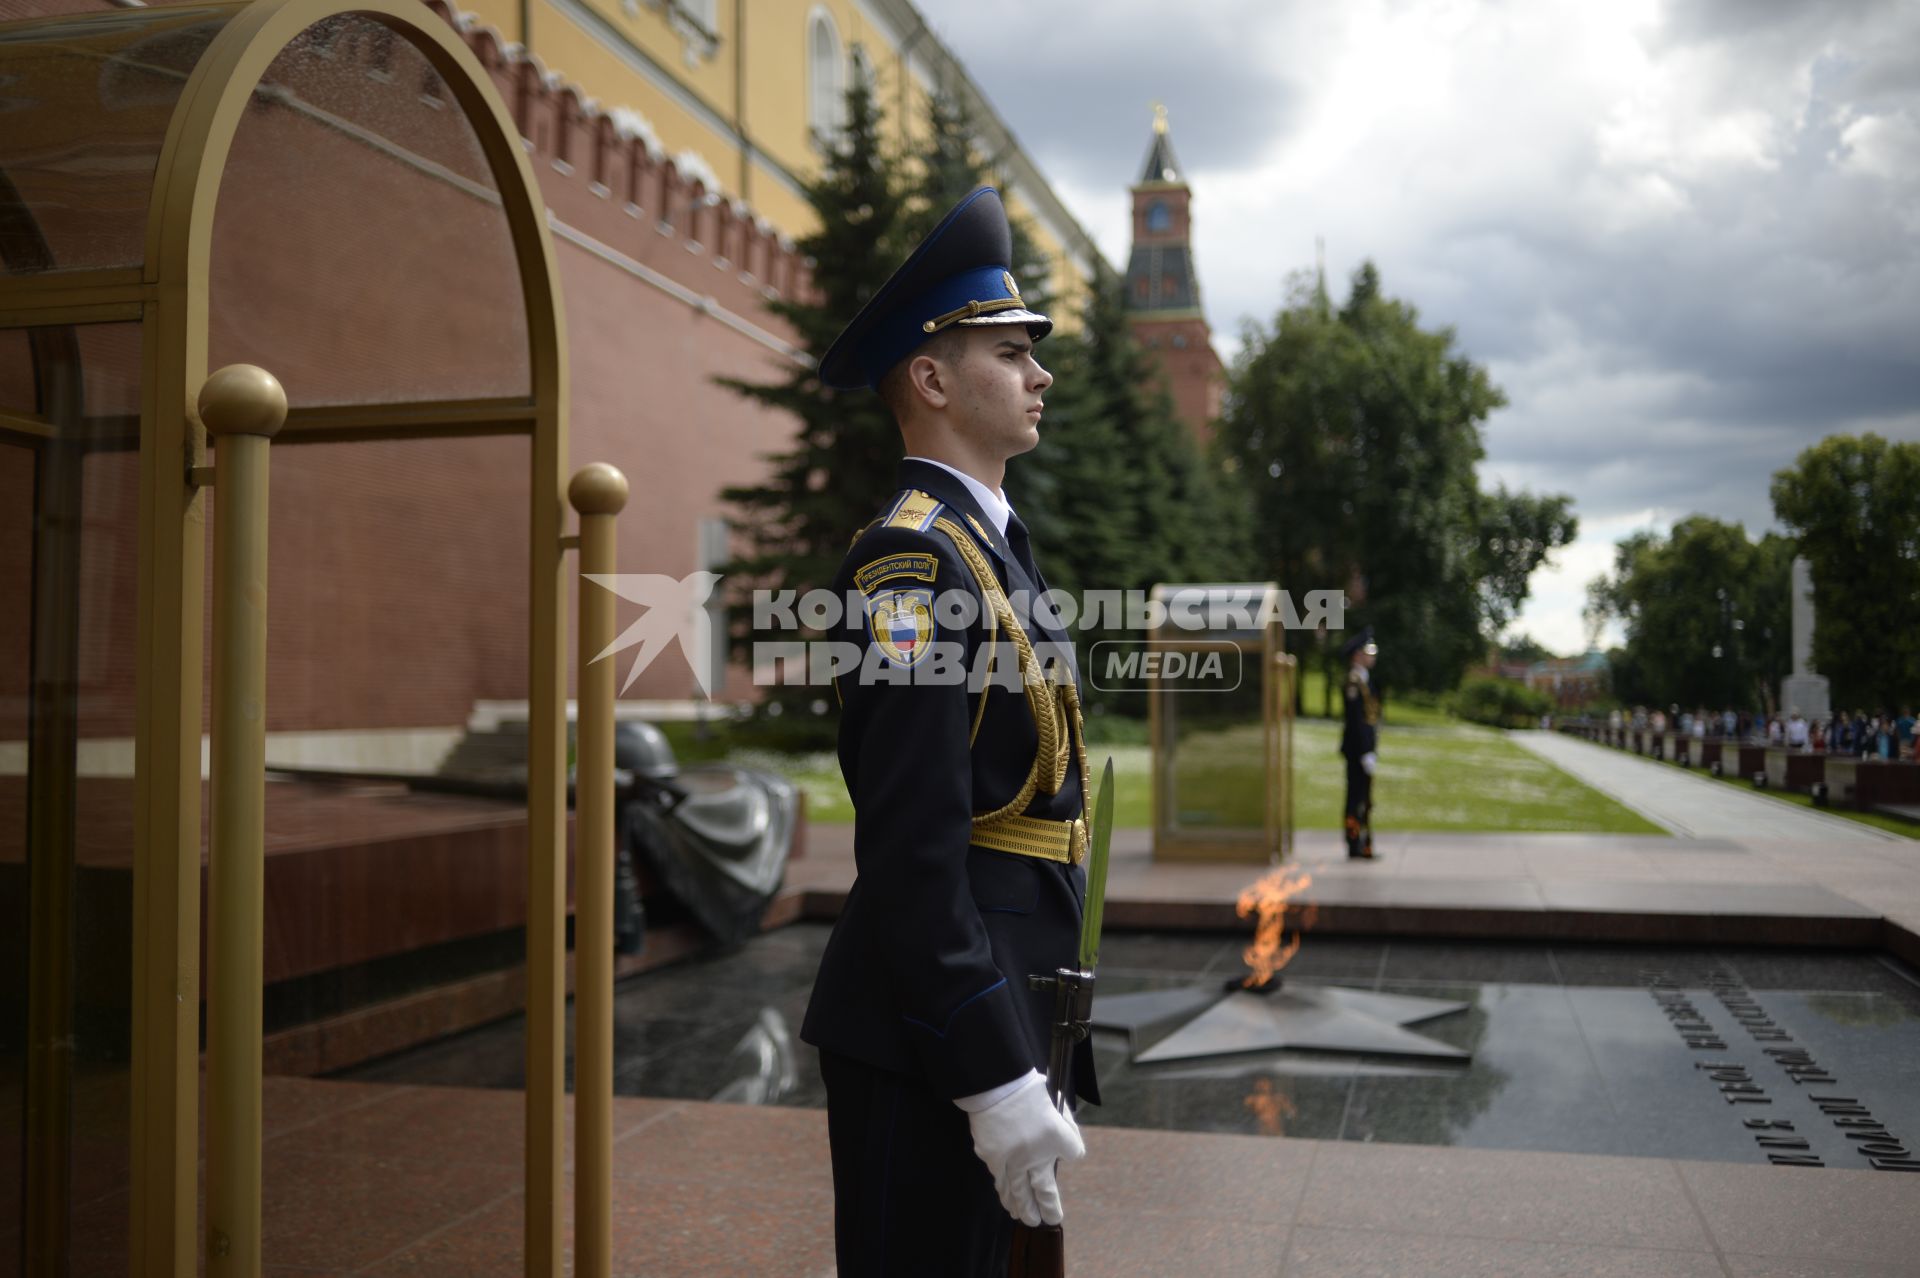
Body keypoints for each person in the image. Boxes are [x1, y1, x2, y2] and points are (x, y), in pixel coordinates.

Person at [799, 187, 1094, 1277]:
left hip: (1003, 1016)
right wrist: (993, 1074)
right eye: (1012, 351)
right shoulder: (909, 566)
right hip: (935, 1041)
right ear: (930, 378)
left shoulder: (993, 547)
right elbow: (915, 852)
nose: (1040, 373)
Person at [1340, 627, 1380, 860]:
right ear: (1356, 655)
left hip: (1366, 751)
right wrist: (1365, 752)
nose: (1371, 656)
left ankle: (1365, 844)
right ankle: (1354, 841)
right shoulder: (1354, 682)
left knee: (1365, 800)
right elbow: (1356, 722)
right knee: (1355, 798)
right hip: (1357, 752)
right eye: (1367, 652)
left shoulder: (1365, 681)